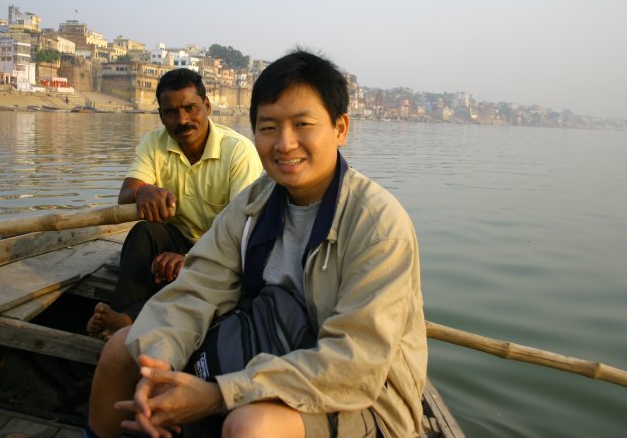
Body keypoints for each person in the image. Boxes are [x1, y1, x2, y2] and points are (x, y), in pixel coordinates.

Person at [85, 51, 427, 437]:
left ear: (340, 128)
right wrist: (159, 364)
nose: (284, 143)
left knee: (251, 425)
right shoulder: (253, 204)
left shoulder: (379, 226)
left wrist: (219, 395)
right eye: (268, 128)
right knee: (122, 351)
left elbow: (355, 365)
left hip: (360, 396)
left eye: (302, 124)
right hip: (264, 339)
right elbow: (197, 288)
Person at [86, 68, 262, 339]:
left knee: (211, 279)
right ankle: (121, 320)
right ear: (161, 115)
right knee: (144, 233)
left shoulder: (238, 151)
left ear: (207, 106)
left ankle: (125, 321)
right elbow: (125, 195)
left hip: (224, 251)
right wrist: (143, 191)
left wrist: (192, 260)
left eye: (190, 108)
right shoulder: (154, 143)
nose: (182, 120)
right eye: (170, 112)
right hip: (179, 240)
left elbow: (242, 232)